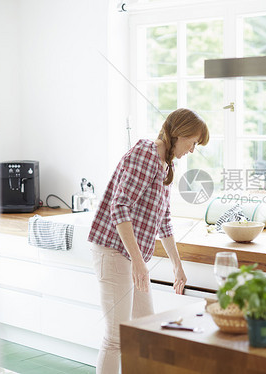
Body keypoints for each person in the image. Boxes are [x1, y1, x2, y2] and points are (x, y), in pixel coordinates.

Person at [87, 108, 209, 373]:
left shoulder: (165, 164)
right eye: (193, 142)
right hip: (113, 250)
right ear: (179, 133)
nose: (192, 149)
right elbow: (119, 206)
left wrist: (177, 266)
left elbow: (163, 220)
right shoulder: (146, 153)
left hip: (130, 255)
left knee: (145, 330)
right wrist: (139, 262)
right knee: (116, 337)